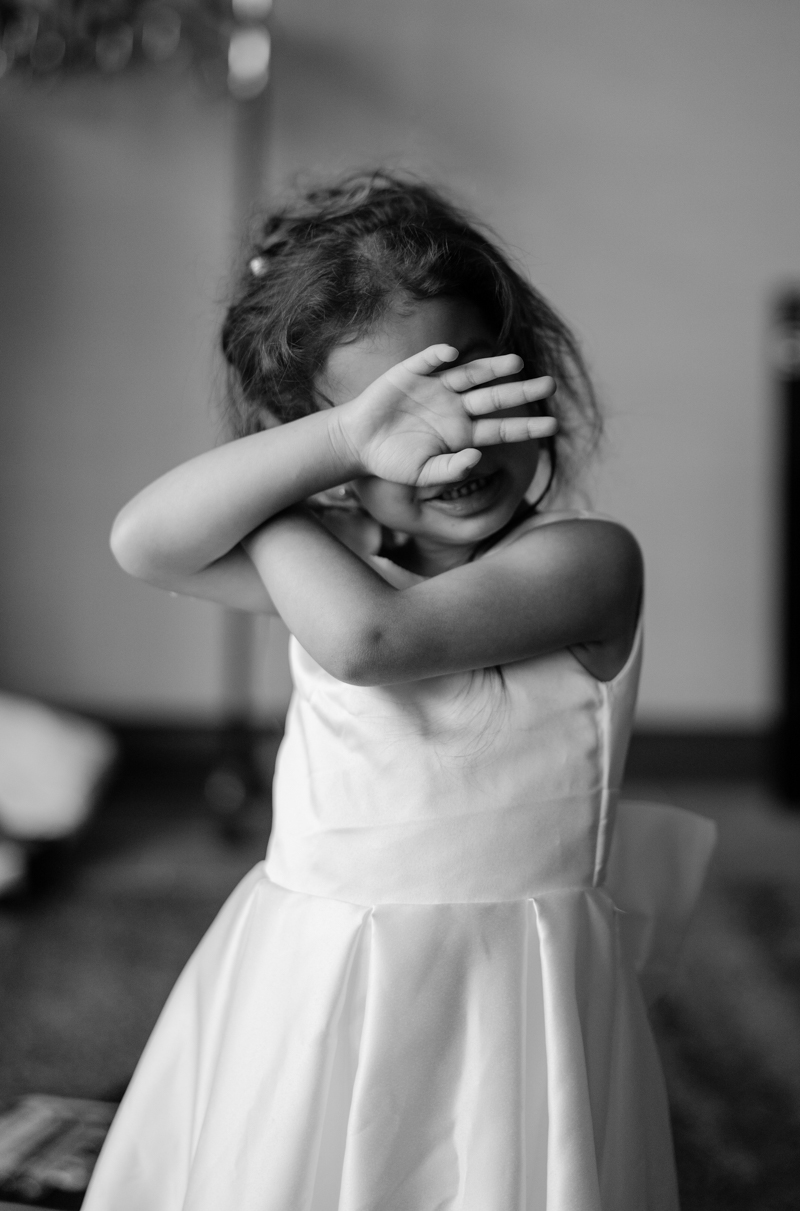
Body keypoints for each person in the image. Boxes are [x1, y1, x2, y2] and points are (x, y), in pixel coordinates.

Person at [84, 171, 715, 1211]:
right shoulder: (330, 548)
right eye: (396, 417)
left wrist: (279, 505)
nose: (451, 443)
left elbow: (371, 641)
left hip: (502, 986)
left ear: (531, 377)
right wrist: (326, 459)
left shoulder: (587, 563)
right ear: (316, 435)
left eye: (470, 393)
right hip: (316, 962)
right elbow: (143, 541)